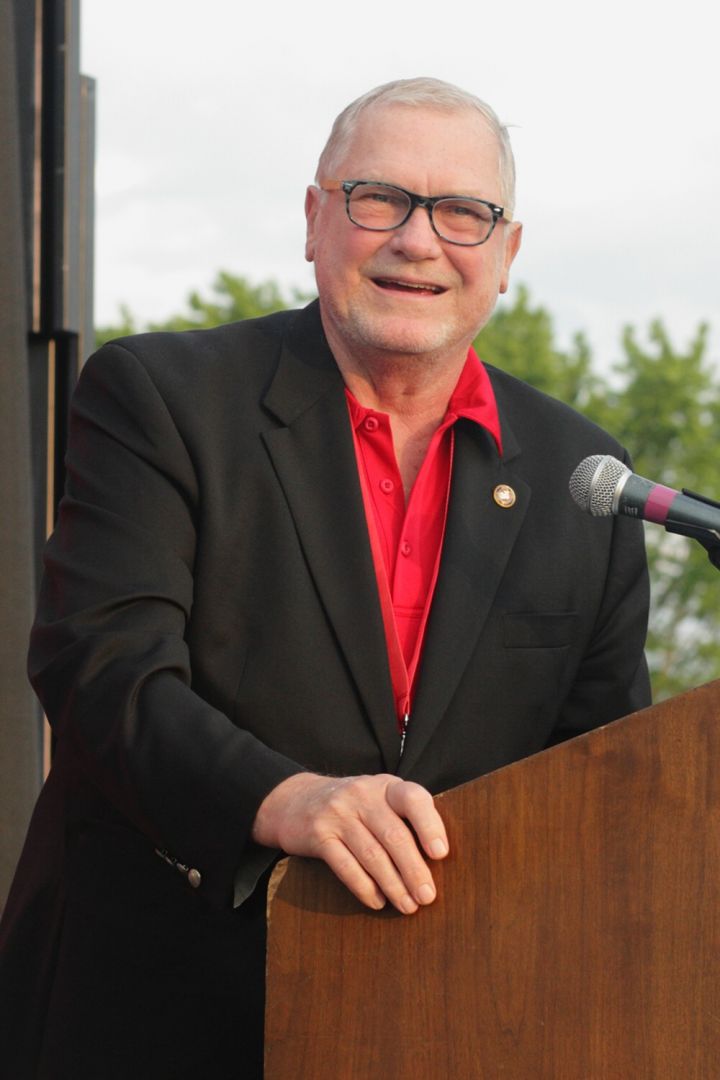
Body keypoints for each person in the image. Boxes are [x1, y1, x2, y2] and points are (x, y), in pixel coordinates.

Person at [0, 77, 650, 1078]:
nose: (418, 241)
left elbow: (602, 788)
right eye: (378, 198)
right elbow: (101, 666)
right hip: (146, 1013)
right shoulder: (160, 397)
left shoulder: (584, 477)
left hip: (443, 1032)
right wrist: (282, 797)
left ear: (507, 253)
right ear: (315, 219)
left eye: (462, 212)